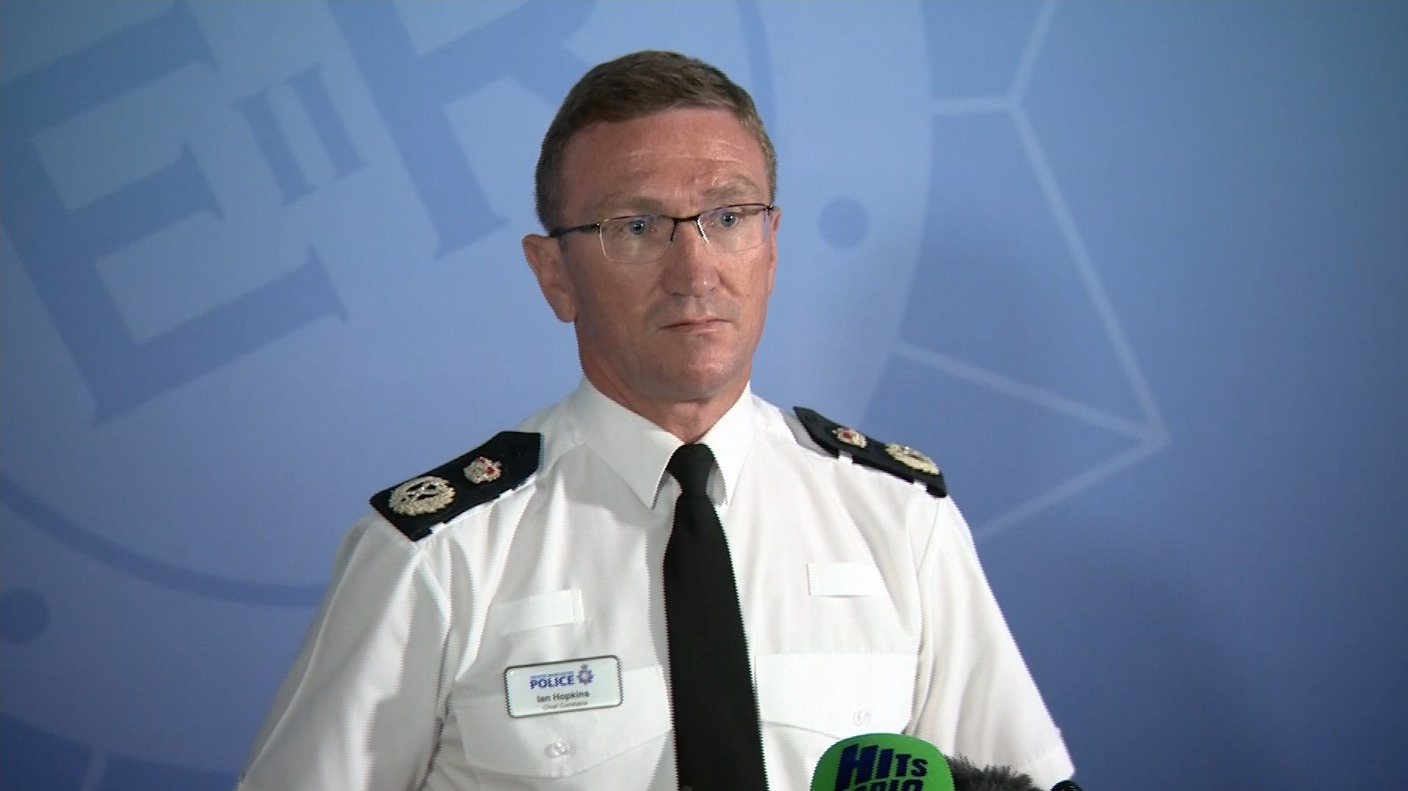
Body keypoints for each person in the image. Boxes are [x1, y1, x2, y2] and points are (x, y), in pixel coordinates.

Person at [237, 50, 1074, 790]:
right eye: (636, 226)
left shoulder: (898, 521)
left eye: (729, 217)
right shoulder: (439, 555)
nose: (695, 268)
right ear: (554, 274)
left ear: (772, 247)